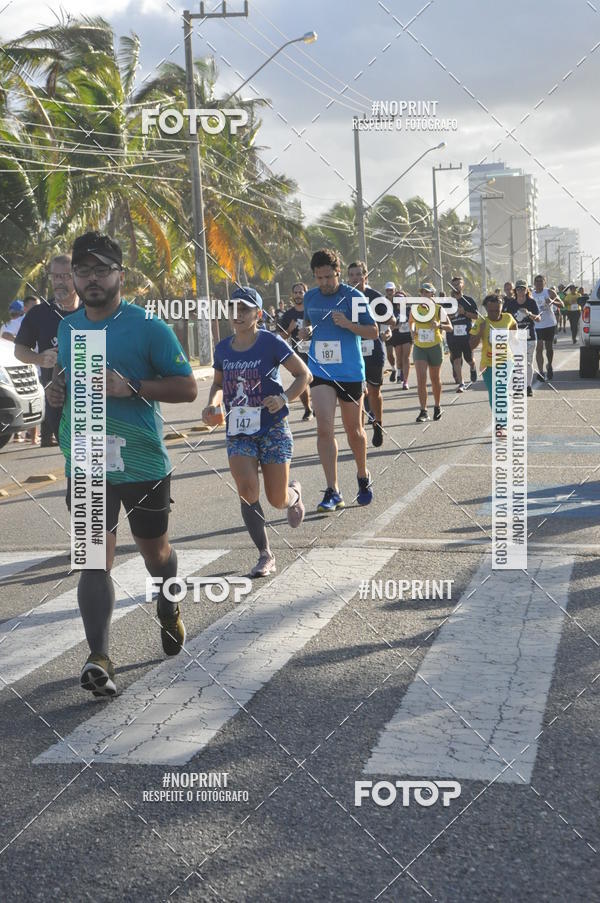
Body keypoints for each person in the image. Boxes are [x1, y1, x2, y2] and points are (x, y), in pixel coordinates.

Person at [45, 232, 197, 698]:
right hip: (89, 459)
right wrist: (57, 394)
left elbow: (187, 389)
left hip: (144, 462)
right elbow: (67, 381)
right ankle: (100, 657)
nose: (91, 279)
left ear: (120, 275)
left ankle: (169, 607)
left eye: (101, 270)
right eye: (82, 271)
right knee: (93, 561)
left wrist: (130, 387)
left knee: (156, 554)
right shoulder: (68, 328)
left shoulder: (149, 327)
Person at [202, 286, 310, 578]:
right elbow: (218, 384)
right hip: (239, 431)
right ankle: (265, 554)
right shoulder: (223, 347)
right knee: (247, 489)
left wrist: (284, 398)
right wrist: (212, 405)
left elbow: (304, 375)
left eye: (244, 309)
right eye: (233, 308)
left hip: (273, 427)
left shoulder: (271, 343)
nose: (237, 314)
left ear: (258, 315)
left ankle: (294, 496)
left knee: (277, 499)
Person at [300, 248, 377, 511]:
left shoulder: (353, 296)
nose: (324, 283)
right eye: (319, 278)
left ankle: (362, 474)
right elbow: (307, 326)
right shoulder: (310, 298)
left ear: (338, 273)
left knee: (354, 431)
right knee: (324, 427)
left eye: (328, 277)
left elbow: (373, 332)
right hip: (321, 371)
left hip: (350, 372)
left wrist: (348, 324)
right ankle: (333, 490)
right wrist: (305, 332)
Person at [15, 254, 80, 446]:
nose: (60, 282)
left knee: (98, 459)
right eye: (55, 276)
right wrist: (39, 358)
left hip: (95, 397)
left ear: (77, 276)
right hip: (57, 400)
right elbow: (19, 351)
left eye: (66, 276)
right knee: (73, 454)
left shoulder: (92, 310)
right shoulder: (39, 314)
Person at [347, 261, 391, 446]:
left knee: (374, 391)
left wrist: (388, 330)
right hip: (353, 351)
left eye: (359, 274)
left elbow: (391, 319)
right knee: (357, 394)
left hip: (373, 350)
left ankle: (378, 424)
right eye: (352, 275)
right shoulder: (344, 297)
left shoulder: (375, 297)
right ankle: (360, 433)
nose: (355, 278)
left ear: (366, 276)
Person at [469, 294, 518, 436]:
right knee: (493, 394)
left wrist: (513, 336)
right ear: (486, 309)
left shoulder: (508, 317)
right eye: (491, 311)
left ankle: (501, 425)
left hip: (505, 360)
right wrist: (480, 332)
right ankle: (500, 421)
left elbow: (514, 326)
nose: (495, 314)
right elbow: (471, 345)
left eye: (498, 310)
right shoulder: (480, 321)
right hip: (487, 363)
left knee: (500, 391)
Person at [410, 282, 453, 422]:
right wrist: (412, 331)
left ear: (432, 295)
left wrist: (439, 325)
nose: (424, 294)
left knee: (435, 379)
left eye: (427, 292)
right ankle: (423, 411)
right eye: (422, 292)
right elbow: (410, 323)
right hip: (419, 347)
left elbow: (450, 327)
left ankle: (437, 406)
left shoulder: (439, 309)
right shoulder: (415, 309)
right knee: (421, 378)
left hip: (435, 346)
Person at [278, 282, 314, 420]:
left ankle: (318, 406)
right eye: (296, 292)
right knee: (302, 380)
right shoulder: (288, 315)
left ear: (306, 293)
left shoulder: (312, 311)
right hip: (297, 353)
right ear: (292, 295)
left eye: (301, 292)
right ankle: (307, 409)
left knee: (317, 381)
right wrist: (289, 330)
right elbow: (280, 336)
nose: (298, 295)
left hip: (315, 351)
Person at [503, 280, 541, 396]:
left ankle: (528, 387)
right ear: (515, 290)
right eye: (518, 289)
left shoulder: (531, 302)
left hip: (530, 337)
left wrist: (529, 313)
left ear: (526, 290)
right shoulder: (511, 304)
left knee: (528, 363)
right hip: (516, 337)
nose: (520, 291)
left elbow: (538, 319)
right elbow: (506, 320)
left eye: (523, 289)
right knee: (517, 363)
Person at [448, 274, 479, 390]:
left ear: (463, 285)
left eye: (458, 284)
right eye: (454, 284)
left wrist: (464, 313)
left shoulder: (468, 300)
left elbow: (476, 316)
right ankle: (461, 383)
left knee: (469, 359)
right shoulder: (448, 302)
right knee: (456, 359)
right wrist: (453, 315)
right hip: (452, 335)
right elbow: (442, 317)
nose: (456, 286)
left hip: (466, 335)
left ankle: (473, 367)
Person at [531, 274, 561, 381]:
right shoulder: (531, 294)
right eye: (537, 281)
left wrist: (552, 302)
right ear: (534, 283)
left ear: (545, 282)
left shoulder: (549, 292)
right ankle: (541, 371)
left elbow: (562, 304)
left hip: (549, 324)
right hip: (537, 325)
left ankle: (549, 366)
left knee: (549, 348)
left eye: (541, 281)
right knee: (539, 348)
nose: (539, 283)